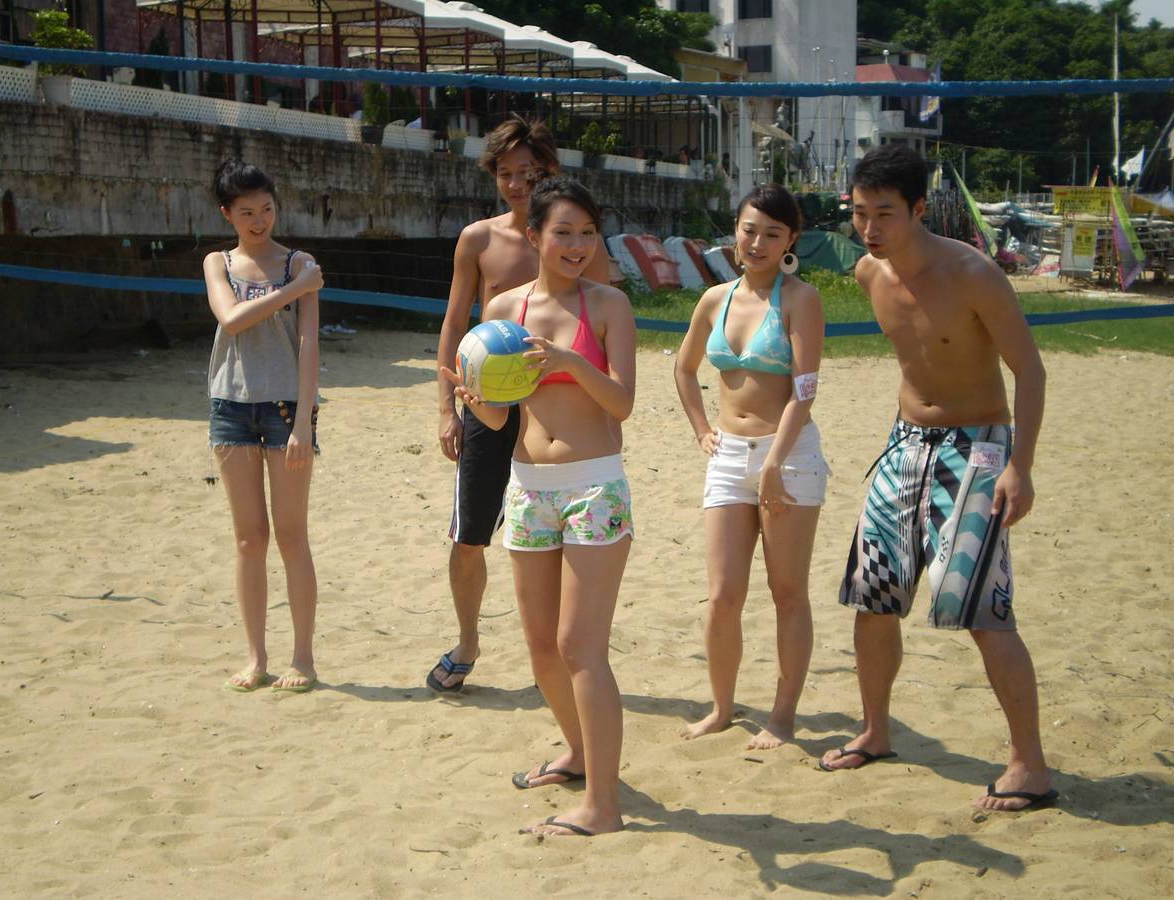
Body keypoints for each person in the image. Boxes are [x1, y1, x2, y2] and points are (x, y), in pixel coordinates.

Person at [822, 144, 1057, 813]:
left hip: (977, 447)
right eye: (860, 213)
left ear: (919, 209)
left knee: (981, 608)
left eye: (884, 213)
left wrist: (1020, 467)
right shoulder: (868, 273)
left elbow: (1030, 371)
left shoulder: (972, 273)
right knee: (873, 596)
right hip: (903, 445)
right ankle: (875, 730)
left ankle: (1030, 765)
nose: (869, 227)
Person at [442, 176, 636, 837]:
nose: (577, 245)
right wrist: (474, 401)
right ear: (534, 236)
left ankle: (603, 807)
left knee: (581, 647)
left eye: (588, 233)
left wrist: (567, 359)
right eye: (563, 232)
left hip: (594, 486)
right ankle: (579, 754)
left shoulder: (609, 304)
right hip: (528, 487)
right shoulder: (505, 308)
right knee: (542, 647)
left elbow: (621, 404)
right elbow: (502, 418)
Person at [429, 117, 610, 692]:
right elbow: (454, 324)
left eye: (528, 173)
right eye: (505, 173)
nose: (516, 184)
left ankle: (556, 659)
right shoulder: (478, 239)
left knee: (554, 534)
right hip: (489, 404)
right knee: (469, 537)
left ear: (548, 171)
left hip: (555, 412)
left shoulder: (577, 242)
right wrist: (446, 409)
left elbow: (601, 323)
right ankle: (468, 639)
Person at [674, 185, 828, 749]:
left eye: (772, 233)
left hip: (788, 457)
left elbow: (804, 389)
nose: (757, 242)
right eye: (749, 229)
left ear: (791, 240)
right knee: (722, 595)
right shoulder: (714, 298)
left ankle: (782, 717)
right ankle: (721, 707)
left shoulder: (801, 299)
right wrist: (701, 430)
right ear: (735, 230)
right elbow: (685, 369)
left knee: (787, 591)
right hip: (727, 457)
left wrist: (775, 462)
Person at [203, 159, 323, 694]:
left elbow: (310, 344)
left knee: (292, 536)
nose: (259, 220)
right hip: (230, 405)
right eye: (246, 212)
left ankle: (303, 659)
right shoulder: (218, 262)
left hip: (285, 410)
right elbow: (231, 319)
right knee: (249, 539)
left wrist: (304, 423)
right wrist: (295, 290)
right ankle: (255, 657)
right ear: (226, 214)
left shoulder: (299, 262)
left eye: (267, 209)